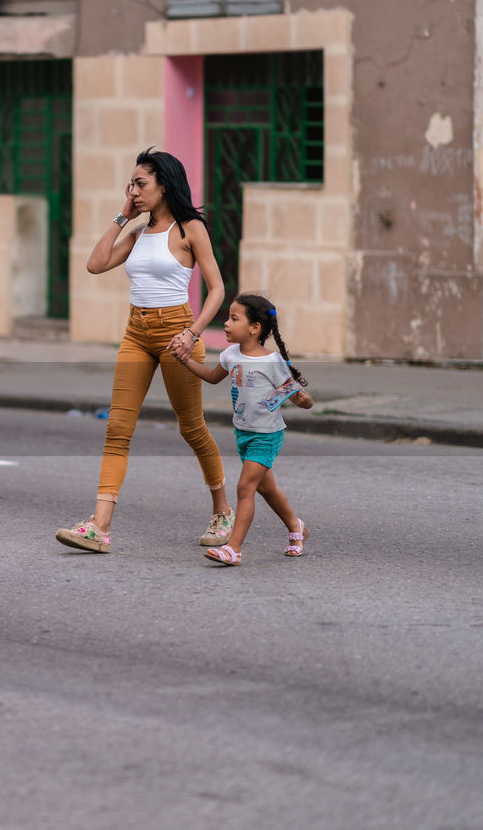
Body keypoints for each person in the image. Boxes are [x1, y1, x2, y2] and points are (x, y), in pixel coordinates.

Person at [56, 148, 233, 554]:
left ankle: (222, 510)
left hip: (177, 333)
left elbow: (218, 289)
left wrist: (192, 332)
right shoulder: (136, 235)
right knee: (117, 429)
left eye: (140, 184)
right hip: (136, 332)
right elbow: (95, 265)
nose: (133, 191)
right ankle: (99, 527)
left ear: (163, 186)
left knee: (191, 427)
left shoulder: (190, 229)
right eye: (131, 185)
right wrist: (123, 216)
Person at [172, 293, 313, 566]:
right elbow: (213, 378)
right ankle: (297, 528)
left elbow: (295, 394)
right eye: (228, 317)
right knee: (266, 489)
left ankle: (233, 549)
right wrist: (185, 360)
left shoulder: (271, 361)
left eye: (234, 318)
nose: (226, 323)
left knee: (245, 487)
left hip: (266, 435)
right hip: (244, 433)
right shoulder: (230, 354)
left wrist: (303, 400)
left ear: (254, 328)